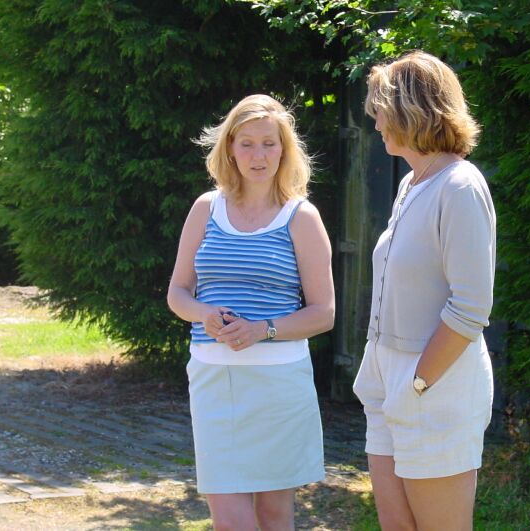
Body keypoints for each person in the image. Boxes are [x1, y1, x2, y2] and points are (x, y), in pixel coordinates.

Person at [167, 94, 334, 531]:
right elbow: (178, 293)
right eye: (247, 144)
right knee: (229, 519)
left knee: (274, 515)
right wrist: (203, 314)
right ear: (229, 148)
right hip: (213, 380)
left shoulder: (302, 217)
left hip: (279, 384)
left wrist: (263, 329)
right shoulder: (205, 208)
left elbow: (324, 313)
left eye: (268, 144)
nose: (258, 156)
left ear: (284, 150)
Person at [352, 51, 496, 531]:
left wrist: (417, 383)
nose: (375, 123)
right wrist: (385, 380)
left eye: (381, 111)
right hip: (388, 383)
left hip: (435, 385)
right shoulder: (411, 185)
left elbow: (471, 307)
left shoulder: (460, 186)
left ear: (411, 110)